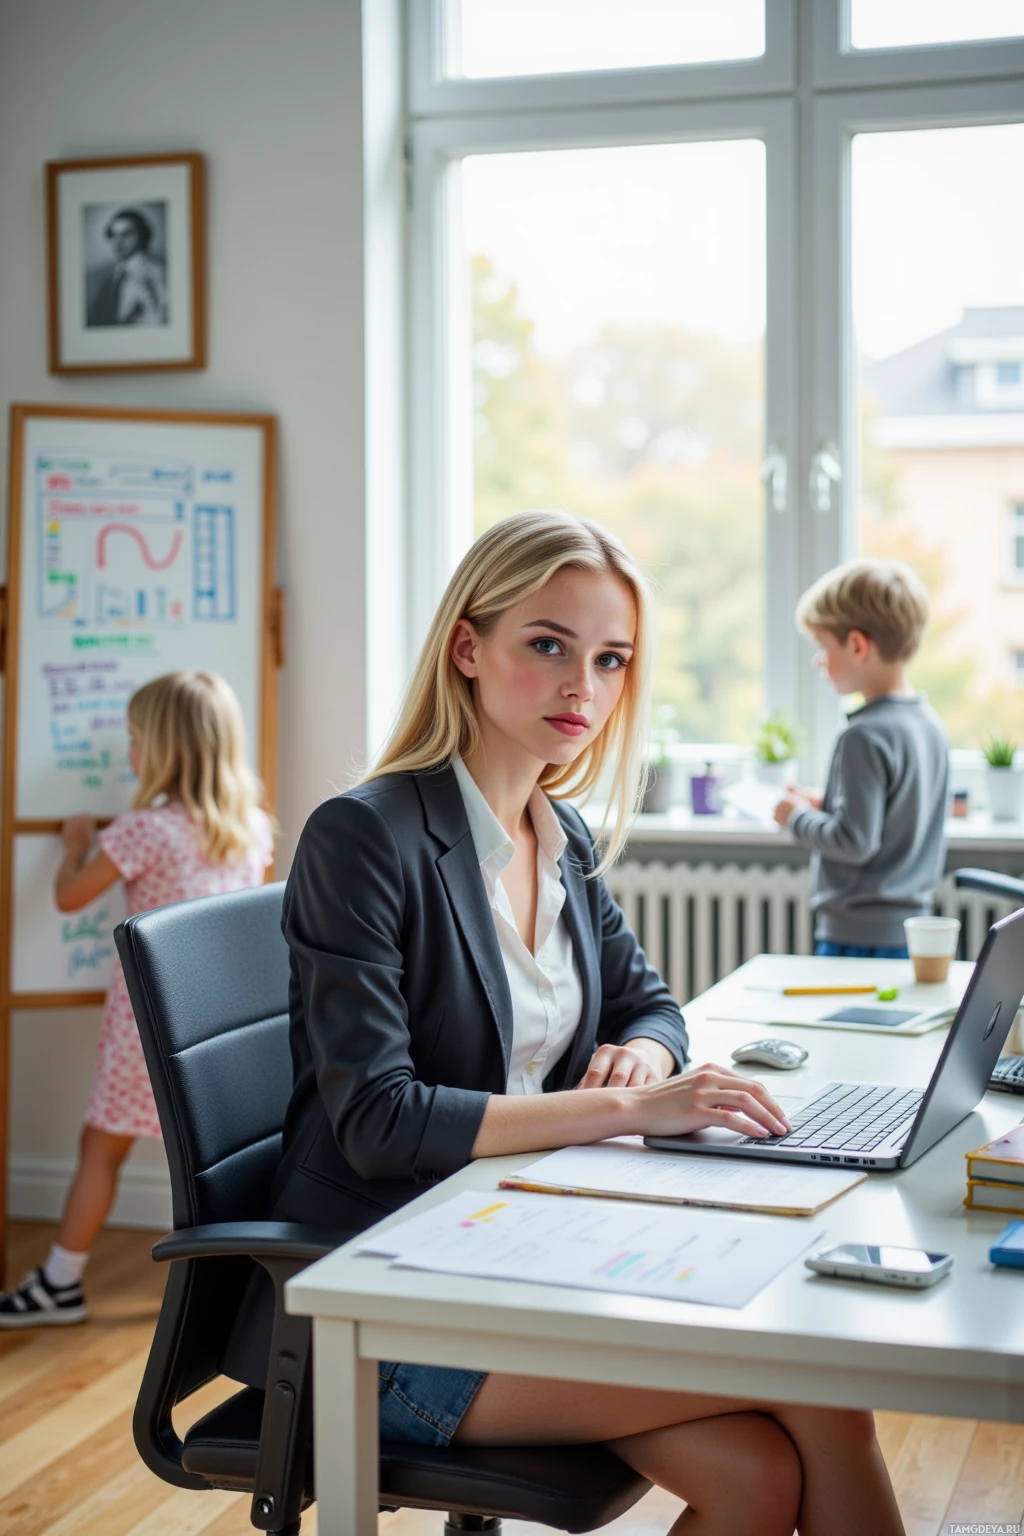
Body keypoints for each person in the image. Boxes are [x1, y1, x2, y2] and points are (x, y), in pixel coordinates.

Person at [231, 511, 903, 1536]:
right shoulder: (365, 838)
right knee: (817, 1391)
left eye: (610, 659)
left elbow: (652, 1005)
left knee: (763, 1474)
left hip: (522, 1248)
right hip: (373, 1298)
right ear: (469, 647)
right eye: (546, 645)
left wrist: (641, 1052)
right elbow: (379, 1120)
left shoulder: (562, 830)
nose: (580, 686)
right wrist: (628, 1107)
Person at [0, 671, 274, 1328]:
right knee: (222, 1159)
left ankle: (60, 1282)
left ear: (163, 749)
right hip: (218, 1026)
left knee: (101, 1149)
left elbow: (71, 897)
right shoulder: (251, 827)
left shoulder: (142, 830)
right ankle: (241, 1285)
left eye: (133, 738)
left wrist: (73, 849)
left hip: (146, 1027)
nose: (128, 750)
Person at [774, 557, 949, 959]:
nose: (818, 660)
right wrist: (824, 803)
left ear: (856, 645)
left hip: (857, 937)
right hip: (908, 934)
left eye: (822, 646)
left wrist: (793, 816)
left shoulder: (863, 736)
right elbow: (891, 817)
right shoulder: (928, 725)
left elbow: (855, 842)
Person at [86, 206, 167, 327]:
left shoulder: (158, 272)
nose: (118, 242)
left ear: (142, 235)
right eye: (113, 235)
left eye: (126, 234)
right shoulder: (105, 276)